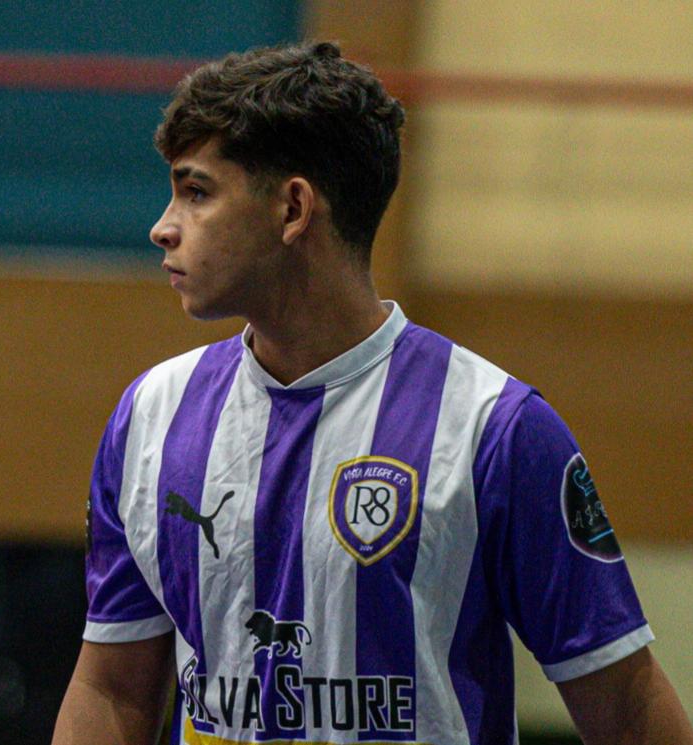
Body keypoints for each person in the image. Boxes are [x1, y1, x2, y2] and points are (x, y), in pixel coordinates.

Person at [53, 41, 692, 745]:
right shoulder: (151, 415)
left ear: (293, 208)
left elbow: (627, 706)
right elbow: (111, 691)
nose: (162, 227)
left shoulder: (493, 428)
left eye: (196, 192)